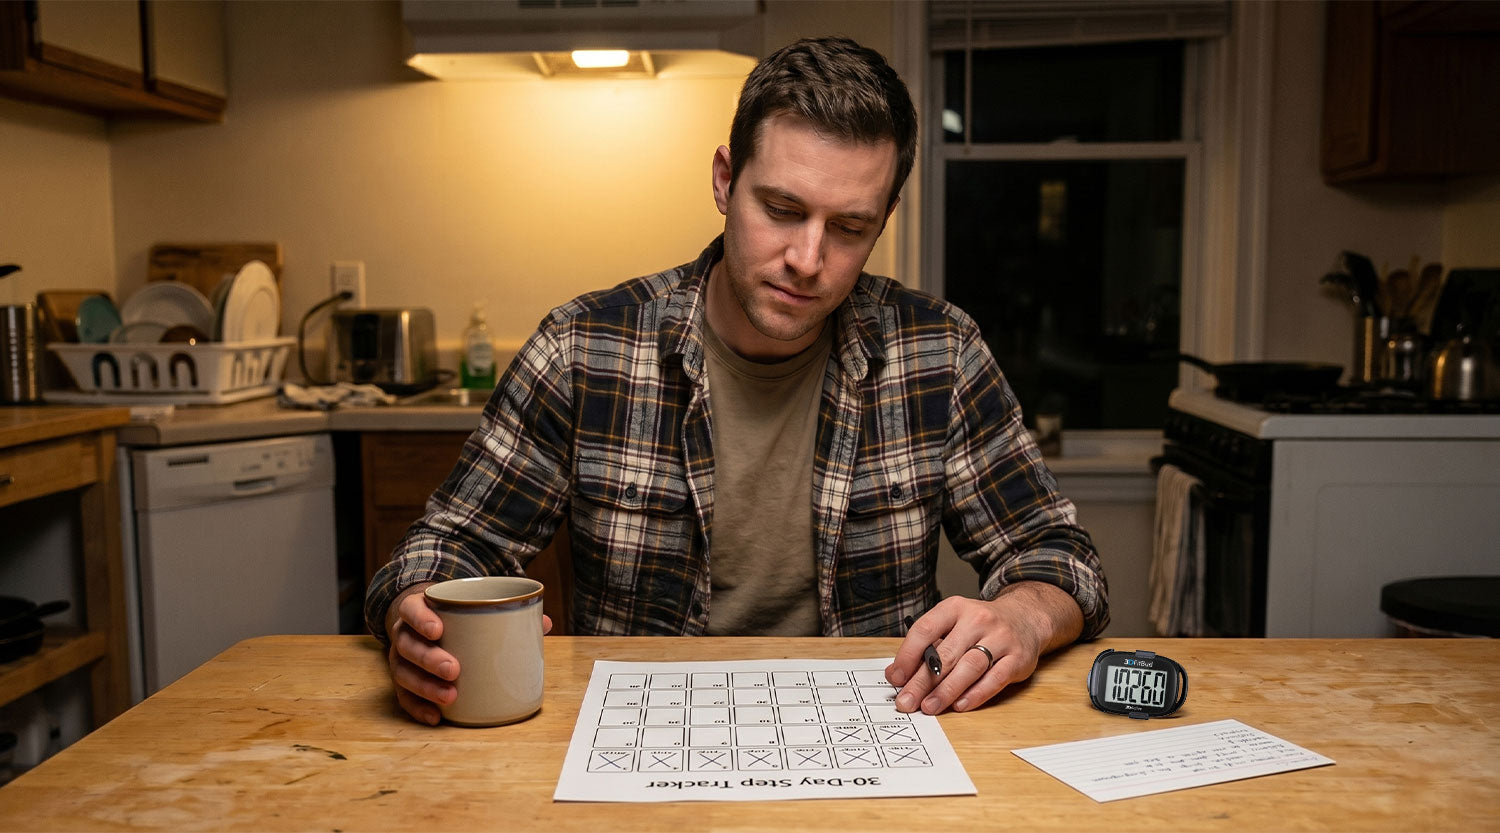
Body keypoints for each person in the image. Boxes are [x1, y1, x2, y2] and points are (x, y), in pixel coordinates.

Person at [365, 36, 1108, 726]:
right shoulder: (583, 349)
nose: (808, 258)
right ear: (725, 180)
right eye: (781, 209)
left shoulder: (940, 354)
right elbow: (446, 547)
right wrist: (414, 617)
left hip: (877, 733)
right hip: (640, 735)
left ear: (884, 220)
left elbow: (1060, 557)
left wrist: (1024, 615)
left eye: (849, 227)